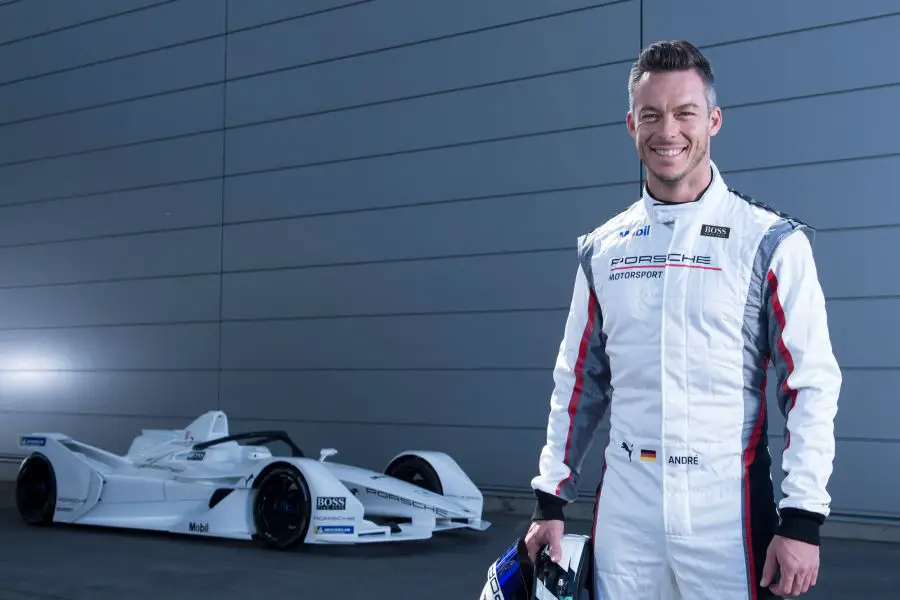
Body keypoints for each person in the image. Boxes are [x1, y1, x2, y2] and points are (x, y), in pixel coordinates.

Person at [523, 40, 842, 600]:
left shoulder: (769, 243)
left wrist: (802, 518)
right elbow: (577, 382)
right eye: (651, 115)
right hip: (626, 507)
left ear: (713, 120)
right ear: (631, 125)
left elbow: (809, 385)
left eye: (684, 113)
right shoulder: (603, 249)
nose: (667, 130)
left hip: (726, 508)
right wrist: (550, 499)